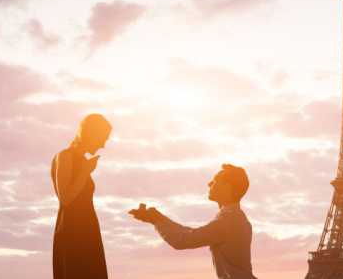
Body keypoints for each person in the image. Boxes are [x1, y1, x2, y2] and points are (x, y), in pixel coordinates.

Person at [129, 164, 257, 279]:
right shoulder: (234, 218)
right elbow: (191, 233)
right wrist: (160, 219)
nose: (209, 184)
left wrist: (155, 222)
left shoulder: (228, 221)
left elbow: (180, 241)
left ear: (227, 189)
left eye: (215, 180)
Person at [52, 114, 112, 279]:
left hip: (88, 229)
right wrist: (85, 171)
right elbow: (65, 199)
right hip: (73, 231)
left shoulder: (83, 160)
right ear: (90, 134)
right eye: (102, 139)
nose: (103, 145)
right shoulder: (64, 156)